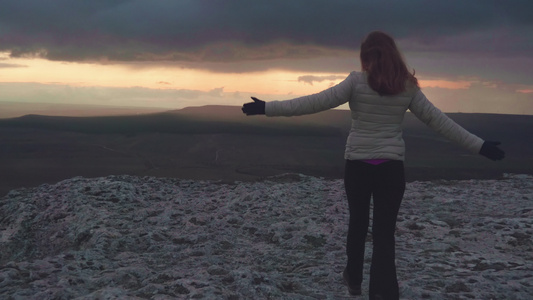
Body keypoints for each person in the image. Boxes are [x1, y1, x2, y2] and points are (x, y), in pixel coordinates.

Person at [241, 30, 505, 300]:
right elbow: (439, 121)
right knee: (384, 235)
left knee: (357, 223)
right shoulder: (407, 87)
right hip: (391, 170)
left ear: (366, 57)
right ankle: (384, 295)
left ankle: (354, 280)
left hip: (358, 166)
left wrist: (267, 108)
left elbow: (315, 102)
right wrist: (479, 145)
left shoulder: (356, 82)